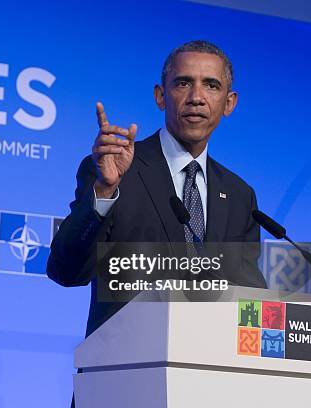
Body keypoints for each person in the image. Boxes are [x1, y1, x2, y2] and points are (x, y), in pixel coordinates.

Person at [47, 39, 267, 340]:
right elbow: (66, 271)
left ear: (229, 103)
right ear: (160, 96)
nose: (197, 98)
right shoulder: (113, 169)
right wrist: (105, 190)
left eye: (211, 86)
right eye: (183, 83)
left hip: (209, 377)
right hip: (123, 373)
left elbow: (250, 297)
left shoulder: (240, 195)